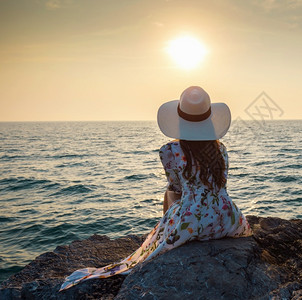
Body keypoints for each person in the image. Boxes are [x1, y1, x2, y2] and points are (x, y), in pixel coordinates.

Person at [59, 86, 252, 291]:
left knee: (169, 192)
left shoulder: (171, 150)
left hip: (193, 223)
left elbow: (176, 188)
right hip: (228, 219)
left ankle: (167, 227)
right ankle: (173, 223)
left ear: (180, 120)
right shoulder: (220, 148)